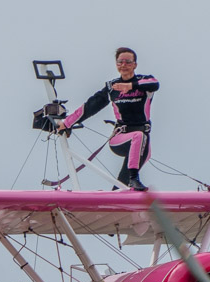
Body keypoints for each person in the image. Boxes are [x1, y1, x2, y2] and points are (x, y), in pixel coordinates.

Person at [57, 47, 159, 191]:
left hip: (142, 142)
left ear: (135, 65)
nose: (124, 65)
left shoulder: (144, 82)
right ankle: (134, 179)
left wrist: (130, 86)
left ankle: (117, 194)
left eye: (128, 62)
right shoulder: (112, 87)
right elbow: (90, 106)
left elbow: (155, 84)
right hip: (120, 139)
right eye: (120, 62)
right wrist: (67, 123)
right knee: (138, 136)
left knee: (122, 184)